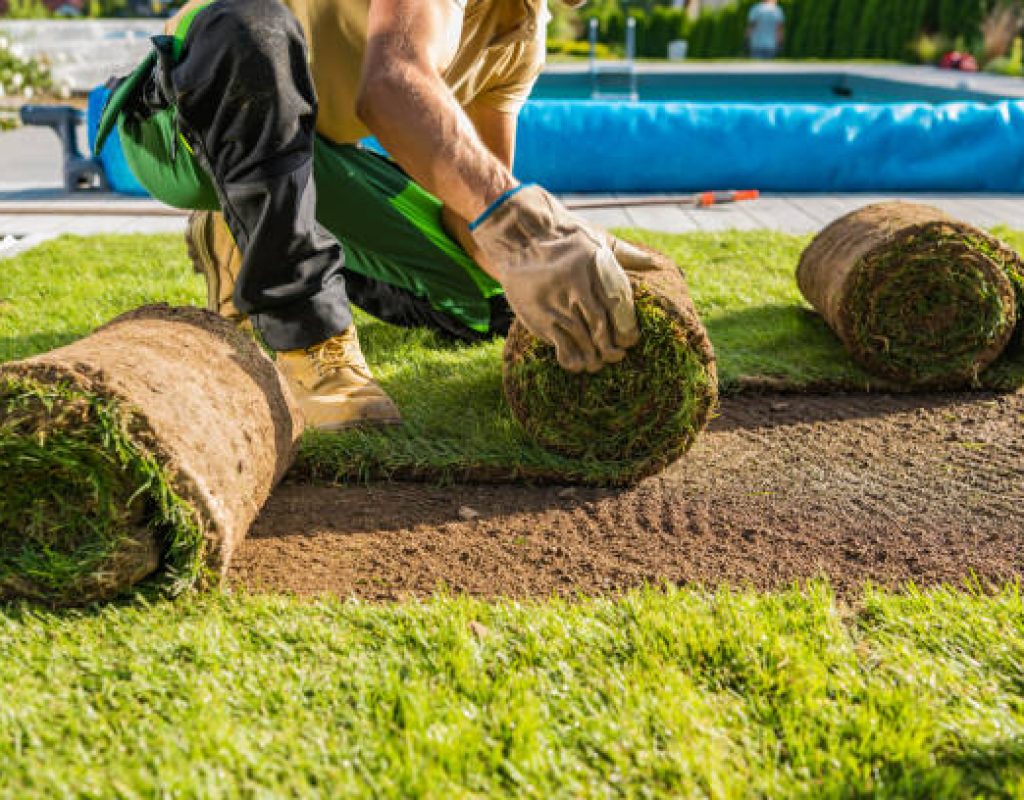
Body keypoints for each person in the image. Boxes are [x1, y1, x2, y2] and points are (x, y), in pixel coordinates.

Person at [95, 0, 659, 431]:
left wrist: (557, 248)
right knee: (248, 23)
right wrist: (525, 226)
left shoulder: (516, 41)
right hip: (184, 113)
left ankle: (235, 235)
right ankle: (309, 338)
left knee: (487, 304)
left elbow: (476, 212)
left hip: (305, 153)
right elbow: (391, 87)